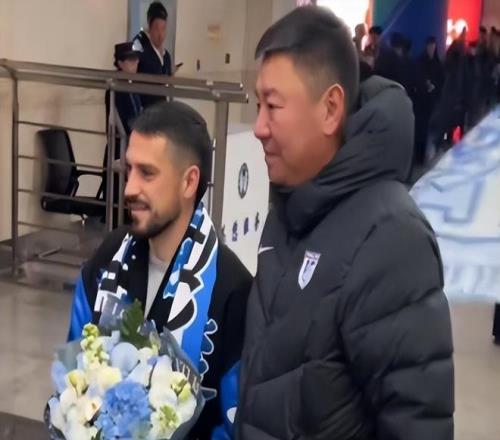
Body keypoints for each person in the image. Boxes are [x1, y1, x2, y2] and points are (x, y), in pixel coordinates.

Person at [237, 6, 454, 440]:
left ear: (331, 108)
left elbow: (417, 424)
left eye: (273, 106)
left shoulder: (392, 239)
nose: (258, 127)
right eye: (257, 105)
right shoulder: (290, 210)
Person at [68, 102, 252, 439]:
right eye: (129, 170)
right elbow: (74, 374)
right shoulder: (107, 260)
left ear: (189, 182)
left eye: (147, 173)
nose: (129, 188)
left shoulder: (232, 289)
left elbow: (236, 424)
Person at [133, 1, 173, 108]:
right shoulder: (141, 49)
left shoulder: (166, 56)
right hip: (146, 110)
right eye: (156, 28)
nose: (160, 34)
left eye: (163, 29)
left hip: (162, 110)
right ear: (149, 27)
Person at [414, 36, 445, 164]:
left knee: (429, 129)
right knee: (421, 129)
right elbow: (418, 78)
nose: (431, 48)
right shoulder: (421, 62)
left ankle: (425, 156)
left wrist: (434, 87)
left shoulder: (437, 63)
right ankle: (420, 156)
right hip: (422, 101)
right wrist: (425, 85)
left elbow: (441, 80)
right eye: (429, 46)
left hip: (432, 101)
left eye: (432, 46)